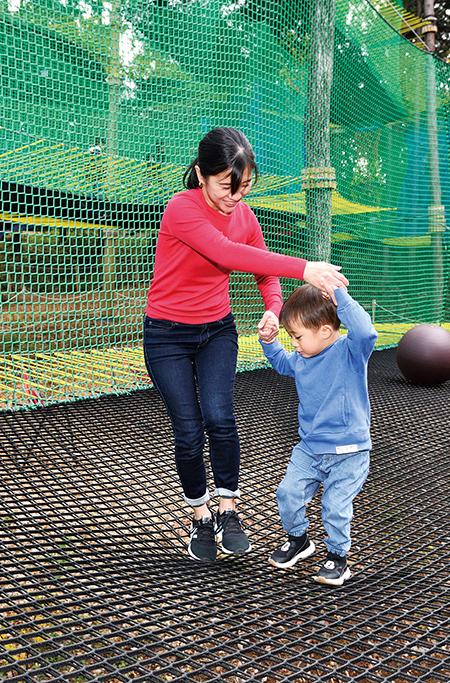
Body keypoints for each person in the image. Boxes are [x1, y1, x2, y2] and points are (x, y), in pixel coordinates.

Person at [143, 127, 350, 563]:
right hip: (167, 335)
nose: (235, 196)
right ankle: (200, 516)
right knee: (187, 429)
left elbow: (262, 269)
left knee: (219, 415)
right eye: (226, 186)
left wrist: (274, 307)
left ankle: (227, 510)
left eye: (245, 186)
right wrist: (305, 267)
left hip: (217, 329)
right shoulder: (182, 209)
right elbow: (228, 254)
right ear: (201, 175)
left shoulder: (245, 214)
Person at [259, 283, 378, 586]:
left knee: (335, 506)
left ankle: (338, 559)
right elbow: (282, 362)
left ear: (325, 331)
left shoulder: (349, 352)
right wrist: (270, 342)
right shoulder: (301, 357)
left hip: (349, 451)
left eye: (297, 336)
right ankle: (299, 540)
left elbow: (365, 331)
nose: (294, 343)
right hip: (311, 448)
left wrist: (340, 296)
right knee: (288, 493)